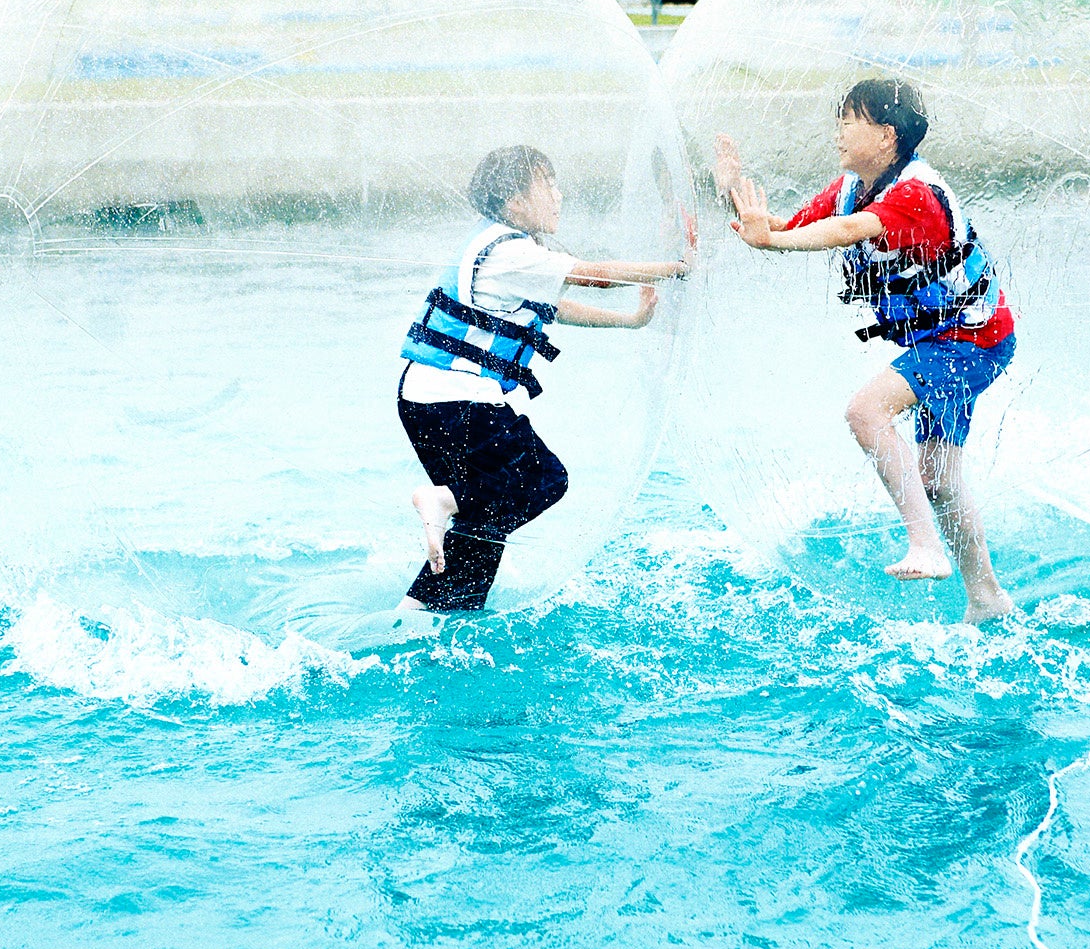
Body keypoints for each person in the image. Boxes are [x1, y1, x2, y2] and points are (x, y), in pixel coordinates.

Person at [715, 77, 1016, 623]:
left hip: (969, 339)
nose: (838, 131)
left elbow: (848, 231)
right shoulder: (853, 185)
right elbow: (787, 228)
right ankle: (987, 597)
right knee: (941, 480)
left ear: (886, 135)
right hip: (951, 337)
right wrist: (733, 194)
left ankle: (925, 546)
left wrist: (774, 238)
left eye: (849, 120)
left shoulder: (914, 196)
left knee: (865, 411)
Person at [396, 145, 695, 613]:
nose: (558, 195)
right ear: (514, 201)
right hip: (453, 400)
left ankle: (423, 612)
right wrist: (679, 269)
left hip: (428, 401)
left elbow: (554, 309)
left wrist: (631, 321)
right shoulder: (511, 251)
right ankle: (443, 500)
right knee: (544, 479)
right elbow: (593, 276)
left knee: (488, 518)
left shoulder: (508, 247)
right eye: (547, 185)